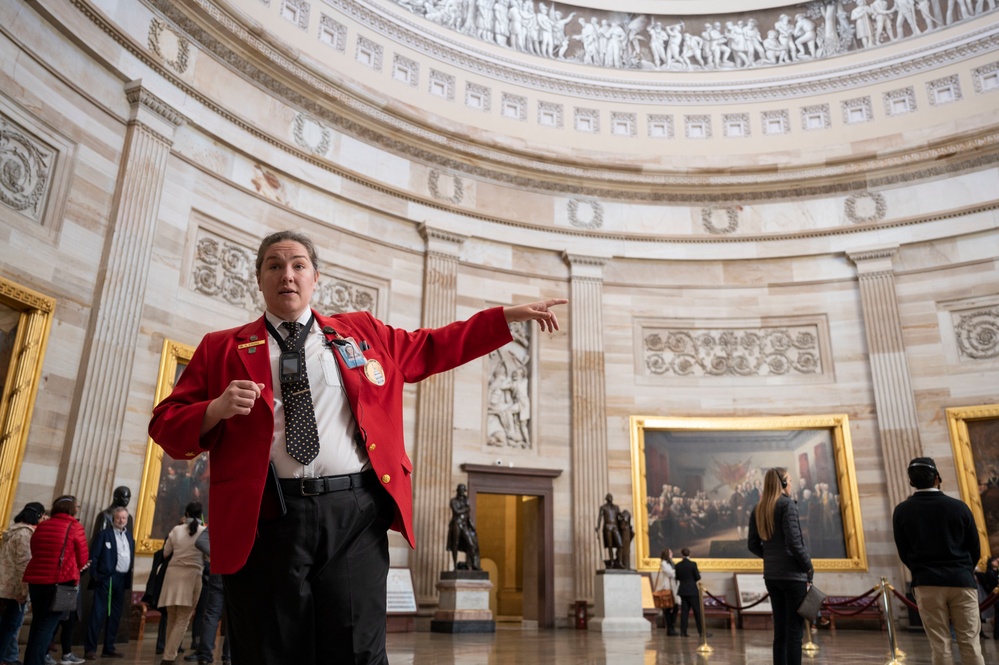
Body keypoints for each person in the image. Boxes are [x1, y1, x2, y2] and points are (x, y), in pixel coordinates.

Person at [147, 229, 567, 665]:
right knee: (269, 647)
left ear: (315, 278)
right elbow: (164, 424)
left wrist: (503, 318)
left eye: (297, 265)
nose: (286, 275)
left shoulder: (360, 334)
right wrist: (214, 409)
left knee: (357, 648)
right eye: (274, 265)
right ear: (259, 279)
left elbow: (432, 346)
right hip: (266, 518)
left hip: (353, 513)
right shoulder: (222, 347)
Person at [892, 457, 985, 665]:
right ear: (937, 478)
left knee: (940, 645)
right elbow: (975, 548)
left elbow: (903, 551)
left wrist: (920, 569)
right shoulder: (958, 507)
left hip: (926, 582)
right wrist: (963, 569)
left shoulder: (902, 511)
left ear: (911, 482)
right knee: (970, 643)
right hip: (961, 580)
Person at [748, 468, 813, 665]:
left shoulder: (758, 508)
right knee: (795, 631)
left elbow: (752, 545)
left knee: (781, 631)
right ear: (782, 484)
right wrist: (808, 566)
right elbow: (794, 542)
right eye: (789, 481)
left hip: (772, 577)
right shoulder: (787, 505)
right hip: (792, 576)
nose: (791, 484)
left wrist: (770, 557)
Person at [22, 497, 89, 665]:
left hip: (36, 581)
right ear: (71, 509)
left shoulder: (43, 525)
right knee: (48, 625)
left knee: (37, 623)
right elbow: (83, 559)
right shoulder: (75, 527)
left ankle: (30, 660)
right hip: (64, 583)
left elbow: (34, 548)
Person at [158, 503, 209, 665]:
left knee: (172, 618)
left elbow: (165, 553)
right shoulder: (204, 532)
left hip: (172, 575)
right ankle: (168, 657)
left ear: (186, 513)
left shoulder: (176, 530)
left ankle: (168, 654)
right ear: (201, 515)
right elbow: (209, 557)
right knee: (183, 619)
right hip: (192, 577)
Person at [83, 507, 133, 660]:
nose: (121, 520)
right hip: (106, 579)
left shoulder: (130, 537)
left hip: (122, 579)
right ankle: (90, 648)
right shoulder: (104, 535)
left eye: (124, 518)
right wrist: (97, 577)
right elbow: (94, 557)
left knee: (115, 616)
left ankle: (109, 647)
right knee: (98, 614)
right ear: (113, 519)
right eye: (118, 518)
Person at [0, 502, 46, 665]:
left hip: (4, 585)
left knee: (7, 625)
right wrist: (24, 591)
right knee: (11, 626)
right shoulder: (26, 534)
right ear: (38, 516)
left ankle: (10, 656)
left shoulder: (13, 530)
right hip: (14, 587)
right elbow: (24, 564)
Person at [446, 484, 479, 570]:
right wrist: (466, 509)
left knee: (471, 544)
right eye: (460, 489)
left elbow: (467, 514)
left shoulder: (466, 500)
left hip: (464, 524)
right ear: (458, 490)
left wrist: (472, 526)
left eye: (463, 490)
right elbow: (456, 511)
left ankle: (473, 564)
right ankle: (455, 565)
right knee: (455, 544)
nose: (462, 491)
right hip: (456, 523)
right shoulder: (453, 501)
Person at [674, 547, 703, 638]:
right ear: (689, 554)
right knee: (697, 611)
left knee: (684, 612)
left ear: (682, 554)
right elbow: (697, 577)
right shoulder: (693, 564)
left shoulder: (678, 565)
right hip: (692, 591)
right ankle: (701, 632)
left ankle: (683, 631)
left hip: (683, 590)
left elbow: (677, 577)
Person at [653, 548, 679, 636]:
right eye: (671, 552)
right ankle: (670, 628)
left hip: (675, 587)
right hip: (668, 587)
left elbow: (673, 572)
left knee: (676, 607)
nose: (672, 553)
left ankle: (672, 626)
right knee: (668, 608)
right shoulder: (664, 563)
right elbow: (670, 573)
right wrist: (676, 572)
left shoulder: (671, 562)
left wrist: (675, 572)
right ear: (667, 554)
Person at [595, 494, 622, 569]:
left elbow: (620, 516)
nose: (610, 498)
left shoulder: (616, 507)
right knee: (610, 545)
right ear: (607, 499)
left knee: (620, 545)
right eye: (609, 497)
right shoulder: (603, 507)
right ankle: (612, 561)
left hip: (615, 526)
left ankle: (619, 561)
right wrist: (598, 527)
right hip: (607, 527)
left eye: (611, 497)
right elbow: (599, 518)